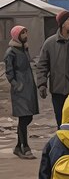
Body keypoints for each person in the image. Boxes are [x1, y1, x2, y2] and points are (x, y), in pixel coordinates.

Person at [3, 25, 39, 159]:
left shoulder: (24, 49)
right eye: (23, 33)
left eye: (26, 32)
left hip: (28, 88)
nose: (26, 35)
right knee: (24, 118)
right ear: (17, 35)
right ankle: (25, 147)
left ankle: (18, 147)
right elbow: (9, 72)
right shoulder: (11, 52)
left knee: (28, 116)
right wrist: (17, 85)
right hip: (20, 90)